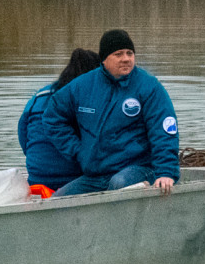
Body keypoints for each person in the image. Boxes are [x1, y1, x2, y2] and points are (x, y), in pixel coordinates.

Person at [38, 29, 180, 197]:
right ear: (104, 59)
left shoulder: (149, 86)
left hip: (139, 169)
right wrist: (78, 151)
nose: (126, 59)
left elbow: (164, 132)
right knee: (58, 200)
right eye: (118, 54)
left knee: (118, 184)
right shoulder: (82, 86)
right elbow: (52, 118)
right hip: (97, 173)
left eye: (129, 53)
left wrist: (165, 172)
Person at [17, 47, 101, 192]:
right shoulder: (92, 101)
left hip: (38, 180)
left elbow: (24, 138)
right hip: (74, 182)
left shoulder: (39, 96)